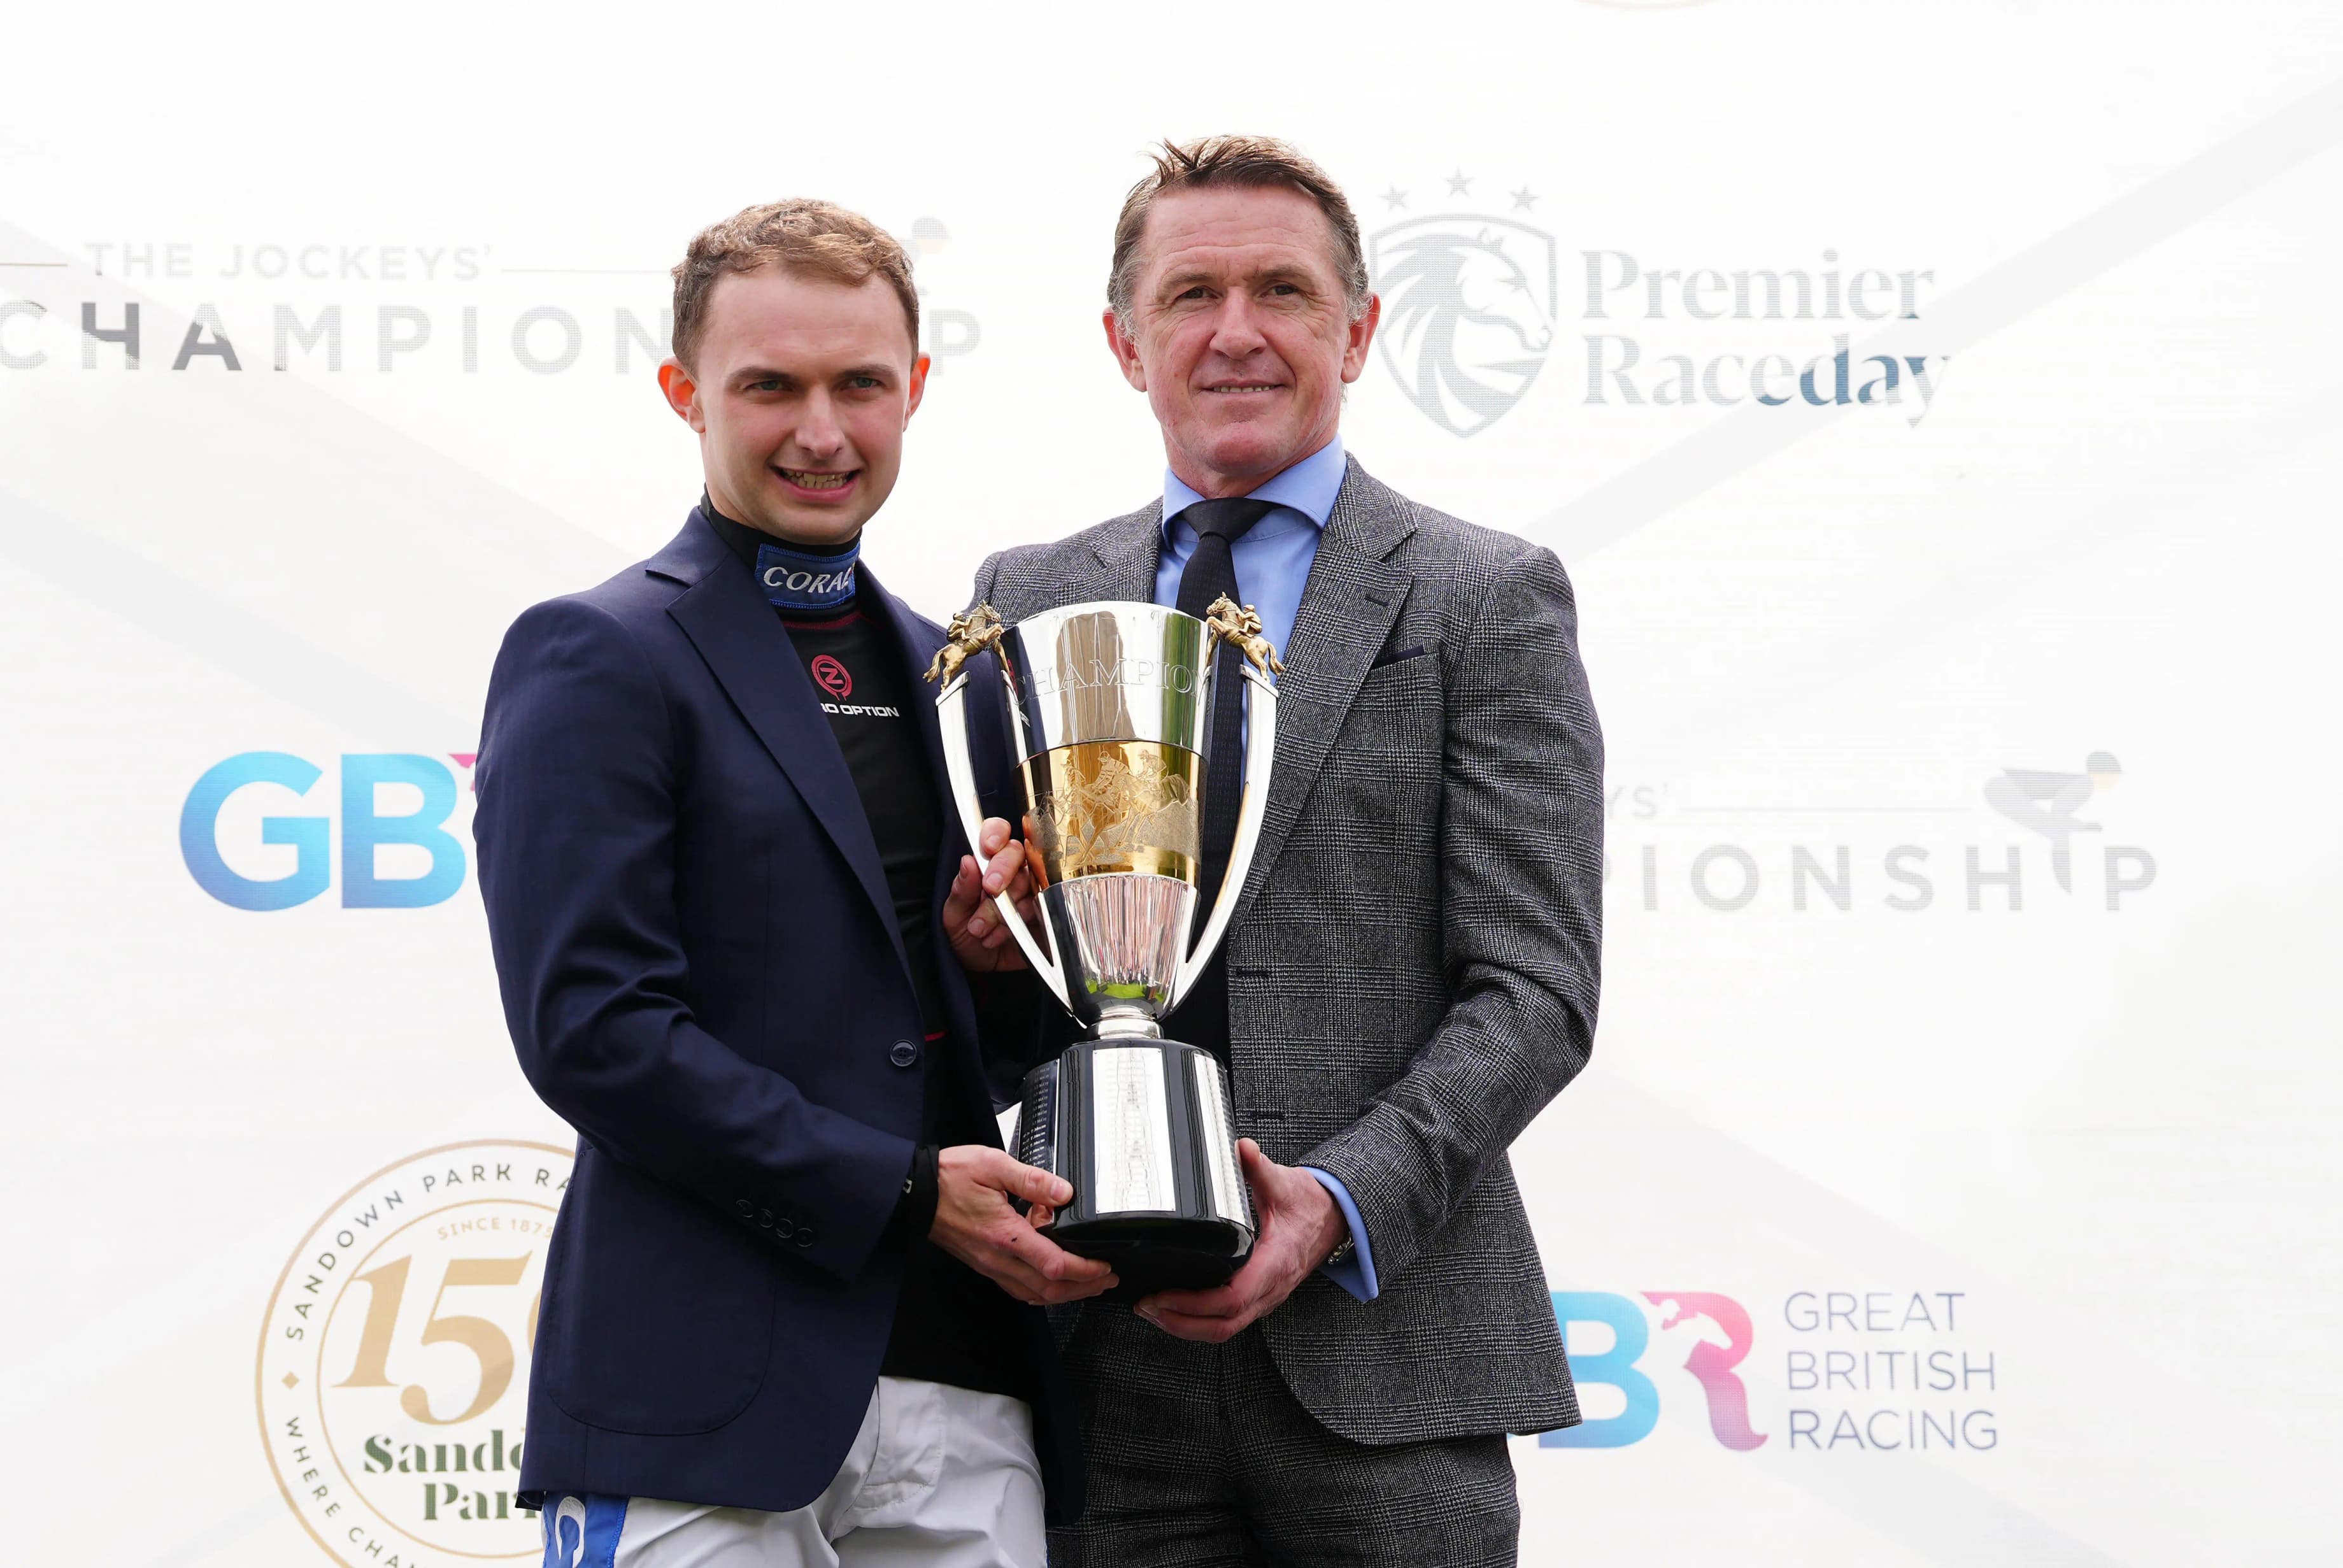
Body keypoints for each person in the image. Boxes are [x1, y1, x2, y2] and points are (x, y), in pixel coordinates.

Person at [958, 136, 1605, 1565]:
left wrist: (1336, 1204)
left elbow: (1536, 991)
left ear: (1359, 329)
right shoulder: (1028, 597)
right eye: (1191, 294)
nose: (1235, 332)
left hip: (1390, 1349)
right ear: (1126, 343)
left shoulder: (1484, 597)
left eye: (1283, 292)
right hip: (1099, 1366)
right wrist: (984, 954)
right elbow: (1024, 1006)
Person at [473, 197, 1111, 1568]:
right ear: (683, 393)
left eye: (860, 385)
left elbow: (955, 1056)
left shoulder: (968, 675)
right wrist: (896, 1192)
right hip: (696, 1394)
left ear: (914, 392)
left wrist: (997, 977)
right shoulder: (598, 653)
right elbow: (594, 1030)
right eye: (771, 385)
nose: (822, 431)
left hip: (966, 1388)